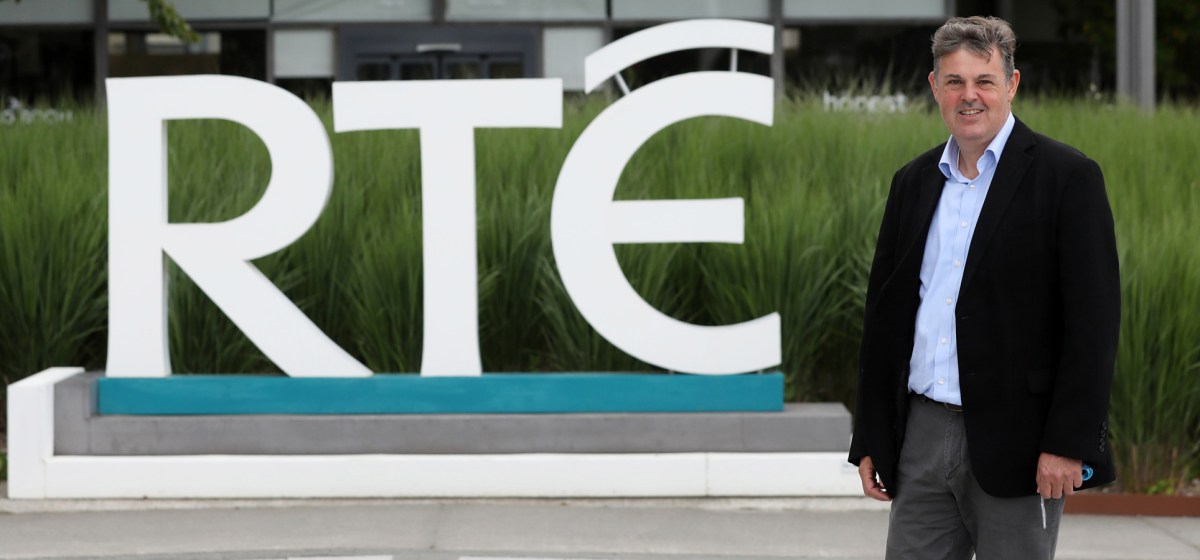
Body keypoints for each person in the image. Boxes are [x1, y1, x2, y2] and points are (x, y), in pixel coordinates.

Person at [847, 16, 1120, 559]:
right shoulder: (913, 182)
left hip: (1021, 440)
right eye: (954, 82)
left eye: (984, 81)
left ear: (1012, 85)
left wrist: (1067, 444)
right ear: (934, 88)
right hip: (921, 435)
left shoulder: (1068, 177)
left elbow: (1093, 323)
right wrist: (871, 435)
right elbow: (885, 318)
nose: (969, 96)